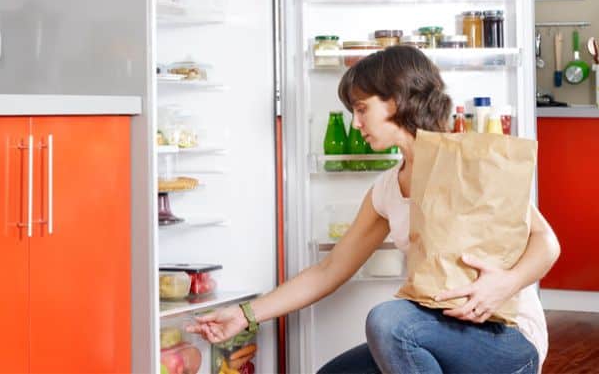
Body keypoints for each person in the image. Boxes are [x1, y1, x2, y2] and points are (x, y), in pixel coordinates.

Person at [187, 45, 561, 374]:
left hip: (505, 340)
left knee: (389, 321)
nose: (356, 122)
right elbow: (329, 270)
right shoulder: (386, 189)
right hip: (436, 334)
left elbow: (546, 242)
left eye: (362, 108)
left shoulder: (468, 161)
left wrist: (505, 284)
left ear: (396, 101)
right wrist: (244, 315)